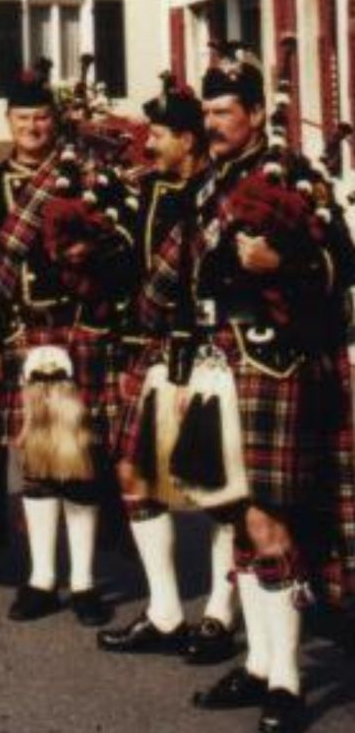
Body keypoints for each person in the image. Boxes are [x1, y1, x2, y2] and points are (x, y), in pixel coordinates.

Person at [132, 54, 355, 732]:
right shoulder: (209, 184)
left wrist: (284, 260)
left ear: (255, 114)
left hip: (271, 363)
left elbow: (341, 260)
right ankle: (259, 661)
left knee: (267, 520)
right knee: (234, 518)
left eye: (224, 112)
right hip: (214, 363)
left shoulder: (287, 175)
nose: (213, 124)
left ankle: (286, 683)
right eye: (207, 113)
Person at [0, 64, 134, 625]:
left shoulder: (85, 175)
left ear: (56, 121)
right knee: (35, 462)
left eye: (41, 117)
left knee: (79, 461)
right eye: (23, 117)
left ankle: (82, 583)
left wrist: (93, 255)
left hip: (79, 328)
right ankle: (41, 578)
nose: (32, 126)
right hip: (21, 333)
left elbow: (125, 248)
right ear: (7, 121)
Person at [99, 78, 238, 661]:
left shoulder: (223, 193)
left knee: (220, 489)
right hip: (152, 352)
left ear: (186, 139)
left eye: (158, 134)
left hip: (213, 355)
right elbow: (130, 273)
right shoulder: (147, 191)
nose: (148, 143)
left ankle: (220, 615)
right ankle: (164, 612)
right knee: (134, 475)